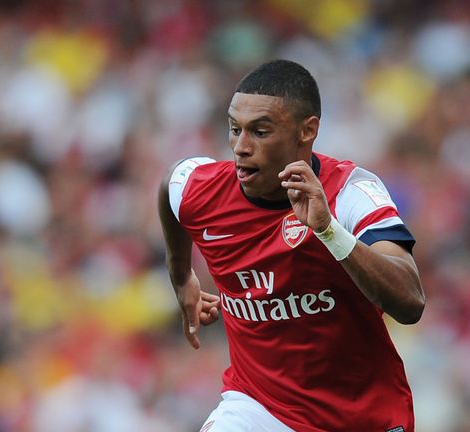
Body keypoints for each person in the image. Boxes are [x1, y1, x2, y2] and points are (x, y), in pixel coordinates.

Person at [157, 59, 425, 432]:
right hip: (258, 408)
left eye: (260, 132)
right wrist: (181, 275)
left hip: (360, 416)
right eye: (234, 129)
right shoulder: (202, 191)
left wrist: (328, 230)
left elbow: (410, 302)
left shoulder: (350, 195)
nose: (240, 147)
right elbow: (170, 184)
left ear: (307, 131)